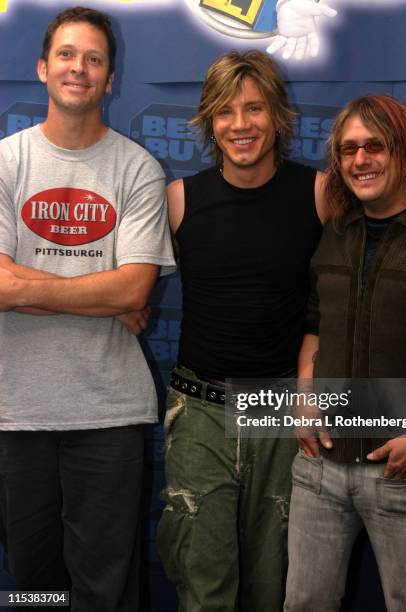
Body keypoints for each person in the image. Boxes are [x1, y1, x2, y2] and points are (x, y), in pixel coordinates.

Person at [0, 6, 175, 611]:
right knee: (35, 588)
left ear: (110, 77)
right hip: (15, 412)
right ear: (43, 68)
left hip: (108, 413)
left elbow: (132, 293)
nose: (80, 68)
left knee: (107, 590)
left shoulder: (138, 170)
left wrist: (26, 285)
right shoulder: (4, 163)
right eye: (68, 55)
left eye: (94, 58)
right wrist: (97, 296)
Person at [284, 94, 406, 611]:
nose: (360, 160)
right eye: (348, 150)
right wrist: (304, 398)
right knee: (302, 604)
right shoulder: (335, 232)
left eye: (375, 146)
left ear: (405, 150)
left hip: (405, 473)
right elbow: (314, 327)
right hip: (318, 469)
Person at [157, 50, 327, 611]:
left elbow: (340, 305)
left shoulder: (320, 194)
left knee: (272, 585)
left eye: (254, 109)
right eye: (225, 112)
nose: (240, 125)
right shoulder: (180, 201)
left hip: (279, 411)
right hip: (199, 411)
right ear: (209, 121)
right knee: (203, 589)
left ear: (277, 115)